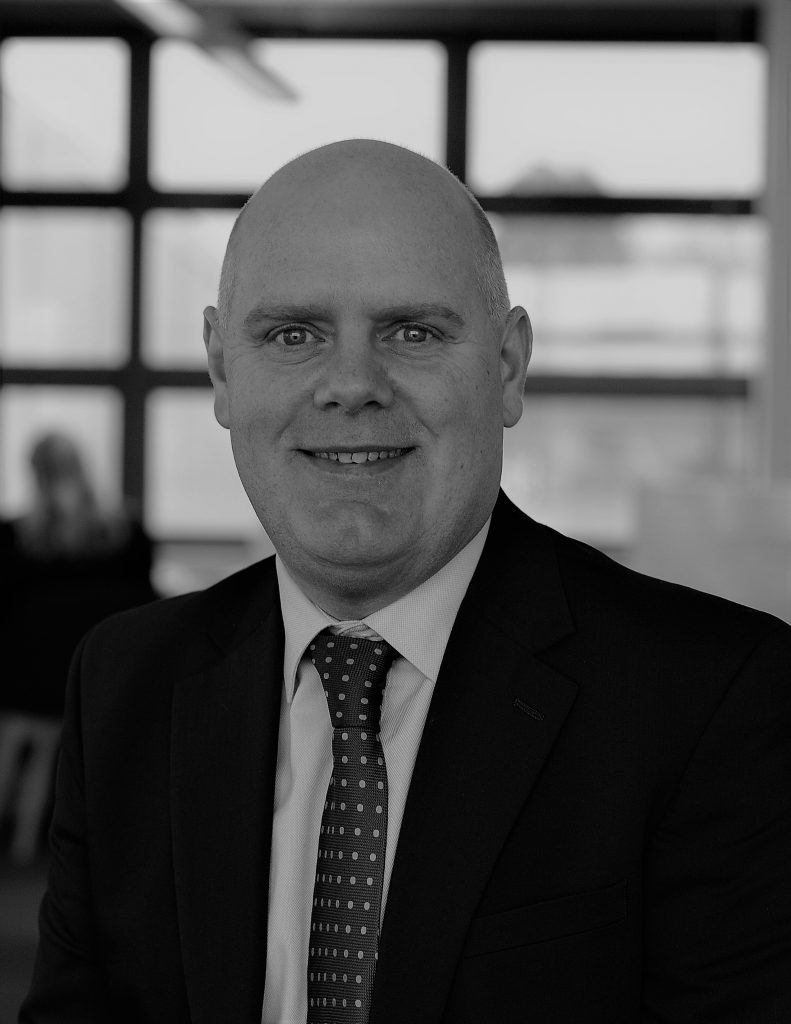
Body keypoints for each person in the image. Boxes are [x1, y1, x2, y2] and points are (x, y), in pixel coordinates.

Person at [20, 140, 791, 1024]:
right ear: (222, 368)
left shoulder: (712, 701)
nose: (351, 386)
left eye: (412, 332)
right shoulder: (126, 684)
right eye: (293, 334)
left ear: (506, 367)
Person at [0, 433, 158, 865]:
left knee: (14, 741)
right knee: (51, 743)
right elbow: (144, 605)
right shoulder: (121, 534)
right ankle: (25, 846)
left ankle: (15, 845)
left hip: (23, 678)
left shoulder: (18, 539)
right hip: (88, 674)